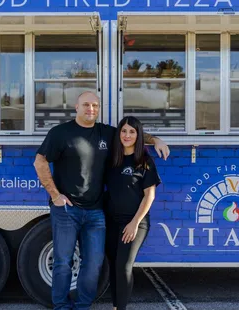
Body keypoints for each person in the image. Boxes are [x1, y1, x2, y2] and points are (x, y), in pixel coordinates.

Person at [33, 91, 169, 310]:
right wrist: (55, 195)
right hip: (67, 211)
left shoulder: (106, 133)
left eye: (95, 106)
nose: (91, 109)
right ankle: (60, 306)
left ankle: (83, 305)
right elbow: (39, 162)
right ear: (76, 107)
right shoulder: (60, 133)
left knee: (94, 263)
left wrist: (156, 140)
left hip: (96, 211)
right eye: (86, 105)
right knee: (63, 263)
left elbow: (131, 133)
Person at [104, 116, 161, 310]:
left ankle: (121, 308)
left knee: (124, 266)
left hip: (136, 222)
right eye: (124, 131)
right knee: (113, 265)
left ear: (138, 136)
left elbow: (149, 196)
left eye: (132, 132)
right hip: (111, 221)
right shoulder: (111, 159)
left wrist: (135, 223)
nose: (127, 135)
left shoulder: (144, 161)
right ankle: (115, 306)